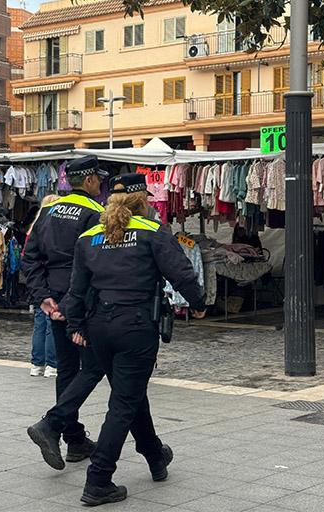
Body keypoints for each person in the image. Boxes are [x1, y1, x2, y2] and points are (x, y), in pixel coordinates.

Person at [63, 173, 206, 506]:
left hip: (99, 327)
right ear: (142, 200)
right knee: (123, 403)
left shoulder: (89, 237)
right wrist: (198, 303)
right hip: (136, 327)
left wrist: (75, 325)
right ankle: (99, 479)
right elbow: (181, 273)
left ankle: (155, 455)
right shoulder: (152, 231)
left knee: (130, 393)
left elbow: (76, 290)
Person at [22, 155, 107, 465]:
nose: (101, 184)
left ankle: (73, 439)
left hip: (54, 300)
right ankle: (54, 426)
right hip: (81, 302)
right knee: (93, 366)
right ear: (90, 180)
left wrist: (43, 297)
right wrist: (73, 303)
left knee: (67, 369)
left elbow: (30, 258)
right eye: (99, 179)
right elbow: (92, 265)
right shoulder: (96, 213)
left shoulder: (47, 211)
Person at [27, 195, 59, 377]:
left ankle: (37, 363)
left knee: (40, 322)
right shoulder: (52, 229)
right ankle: (52, 364)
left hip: (37, 279)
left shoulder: (34, 228)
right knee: (50, 321)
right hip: (51, 278)